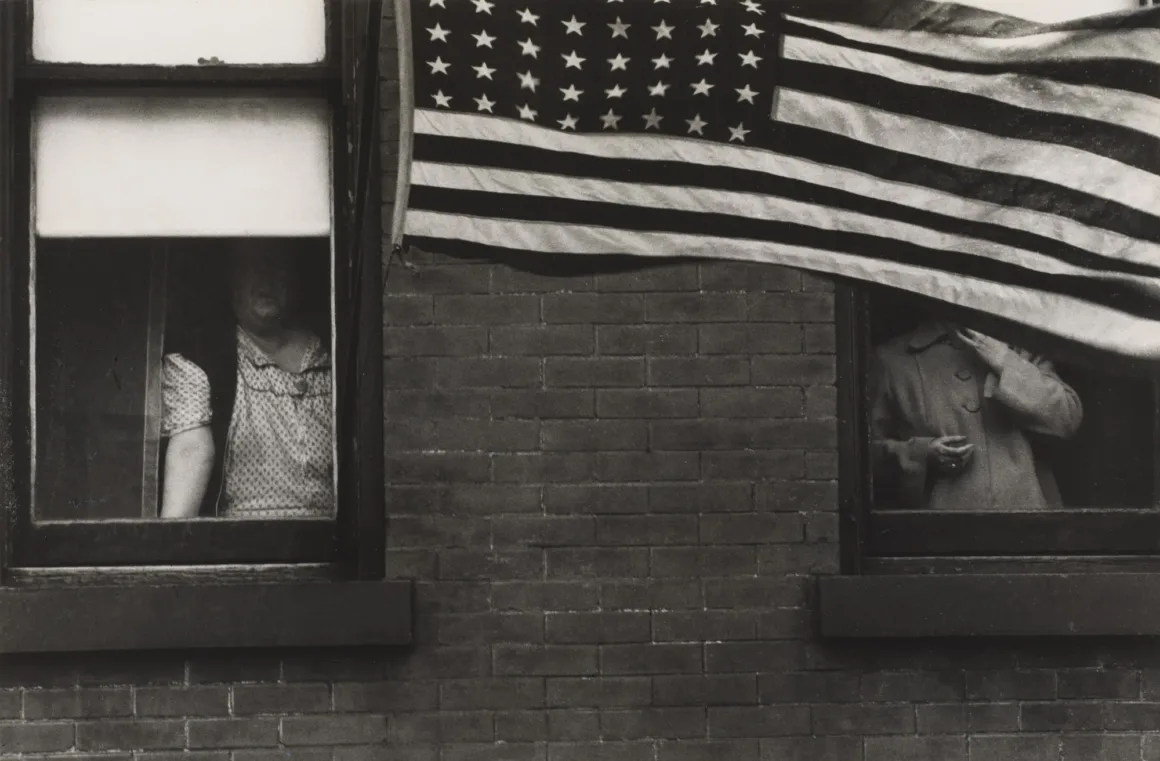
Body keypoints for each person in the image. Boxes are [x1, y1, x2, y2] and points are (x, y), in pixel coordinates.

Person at [159, 245, 333, 519]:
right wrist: (169, 549)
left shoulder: (332, 358)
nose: (267, 278)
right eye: (253, 266)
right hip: (245, 544)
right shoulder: (203, 360)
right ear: (231, 278)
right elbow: (191, 450)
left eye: (278, 267)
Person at [870, 321, 1082, 511]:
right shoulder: (893, 359)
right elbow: (864, 456)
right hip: (939, 534)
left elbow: (1067, 418)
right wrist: (922, 454)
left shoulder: (1020, 348)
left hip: (1026, 528)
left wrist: (1006, 363)